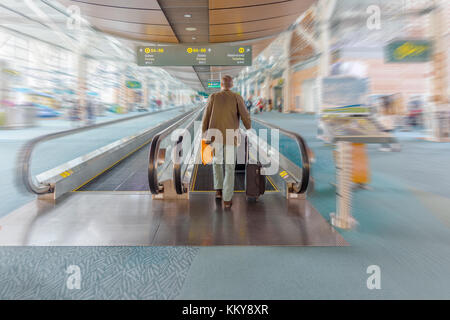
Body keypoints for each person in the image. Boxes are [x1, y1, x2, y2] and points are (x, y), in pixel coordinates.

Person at [201, 75, 251, 208]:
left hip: (214, 135)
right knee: (229, 167)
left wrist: (204, 132)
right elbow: (245, 114)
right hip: (230, 136)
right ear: (232, 84)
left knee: (217, 162)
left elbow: (206, 115)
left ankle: (218, 190)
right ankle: (227, 199)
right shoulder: (236, 97)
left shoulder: (213, 97)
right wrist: (248, 125)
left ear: (221, 85)